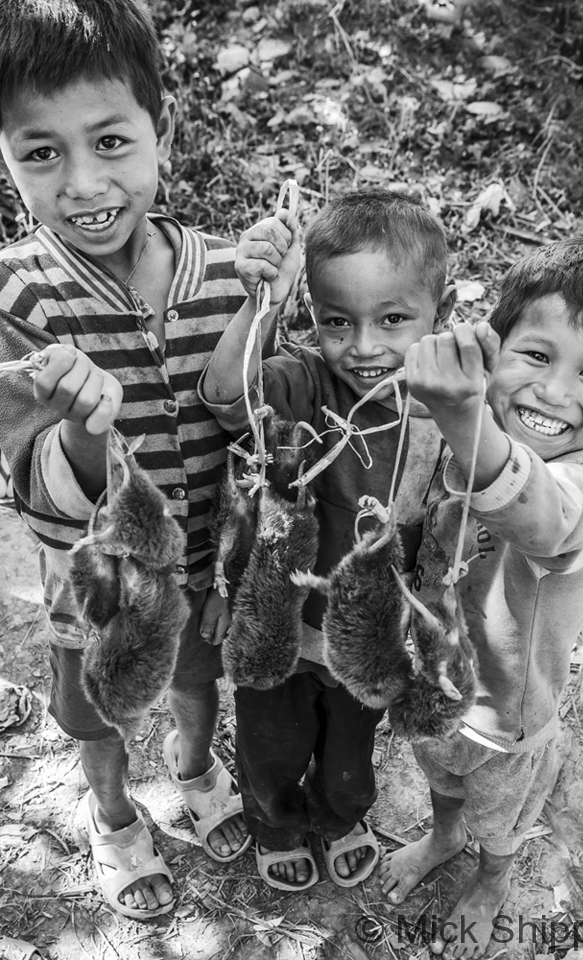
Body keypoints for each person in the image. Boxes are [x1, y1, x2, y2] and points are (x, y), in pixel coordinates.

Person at [0, 0, 278, 920]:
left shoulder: (225, 265)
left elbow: (246, 421)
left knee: (199, 672)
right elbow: (35, 491)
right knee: (95, 707)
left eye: (111, 141)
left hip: (202, 555)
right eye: (41, 153)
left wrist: (260, 307)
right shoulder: (20, 300)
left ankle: (195, 772)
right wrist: (80, 429)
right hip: (92, 585)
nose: (84, 183)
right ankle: (114, 816)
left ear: (165, 131)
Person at [379, 236, 583, 958]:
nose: (555, 391)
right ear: (493, 352)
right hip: (433, 684)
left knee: (497, 815)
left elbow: (545, 523)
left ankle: (493, 878)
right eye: (536, 355)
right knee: (437, 772)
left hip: (510, 719)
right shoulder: (466, 424)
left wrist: (466, 421)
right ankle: (440, 834)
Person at [201, 189, 457, 890]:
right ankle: (276, 822)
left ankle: (342, 817)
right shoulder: (305, 382)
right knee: (271, 743)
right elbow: (228, 397)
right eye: (338, 321)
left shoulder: (446, 409)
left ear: (445, 309)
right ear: (312, 316)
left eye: (394, 319)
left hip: (367, 637)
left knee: (351, 750)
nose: (364, 346)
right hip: (280, 627)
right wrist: (262, 304)